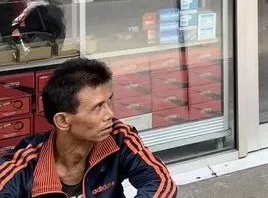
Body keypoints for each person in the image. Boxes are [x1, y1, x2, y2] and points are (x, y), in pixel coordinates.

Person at [0, 58, 176, 197]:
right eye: (98, 107)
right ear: (63, 121)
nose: (110, 114)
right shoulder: (25, 164)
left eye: (109, 100)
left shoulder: (118, 136)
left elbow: (161, 182)